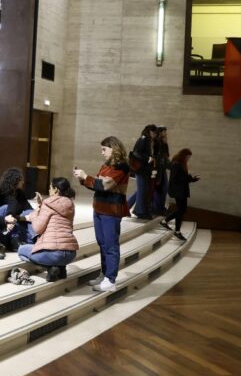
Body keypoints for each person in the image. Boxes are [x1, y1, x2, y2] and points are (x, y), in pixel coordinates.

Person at [73, 136, 130, 292]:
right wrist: (82, 179)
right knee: (102, 244)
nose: (102, 153)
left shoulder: (122, 166)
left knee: (111, 245)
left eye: (104, 149)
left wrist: (86, 177)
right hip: (99, 208)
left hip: (111, 211)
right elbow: (97, 184)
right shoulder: (106, 165)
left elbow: (105, 185)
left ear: (114, 148)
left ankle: (110, 280)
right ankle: (104, 274)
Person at [17, 177, 78, 282]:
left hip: (54, 253)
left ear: (56, 190)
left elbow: (37, 229)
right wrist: (42, 205)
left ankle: (51, 268)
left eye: (50, 188)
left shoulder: (48, 203)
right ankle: (61, 268)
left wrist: (37, 210)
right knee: (55, 254)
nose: (49, 190)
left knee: (21, 250)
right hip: (70, 253)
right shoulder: (70, 204)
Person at [160, 148, 198, 241]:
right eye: (188, 157)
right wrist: (189, 178)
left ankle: (168, 223)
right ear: (183, 156)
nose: (188, 159)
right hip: (178, 191)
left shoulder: (181, 164)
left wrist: (192, 179)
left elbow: (182, 178)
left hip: (181, 190)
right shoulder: (177, 164)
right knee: (181, 210)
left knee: (181, 210)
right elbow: (175, 179)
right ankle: (174, 229)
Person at [0, 167, 35, 247]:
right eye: (21, 180)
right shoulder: (3, 192)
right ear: (15, 181)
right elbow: (9, 211)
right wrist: (21, 218)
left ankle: (35, 238)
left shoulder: (20, 193)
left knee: (30, 213)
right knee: (6, 208)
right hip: (2, 219)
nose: (23, 182)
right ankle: (15, 240)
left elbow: (28, 208)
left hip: (15, 220)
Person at [128, 124, 158, 220]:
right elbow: (136, 152)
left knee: (141, 190)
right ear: (150, 131)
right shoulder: (143, 139)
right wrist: (147, 158)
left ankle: (125, 207)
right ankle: (139, 212)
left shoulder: (148, 140)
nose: (155, 135)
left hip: (144, 169)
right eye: (154, 133)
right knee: (141, 190)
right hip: (140, 169)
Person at [152, 126, 170, 214]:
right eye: (164, 132)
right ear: (160, 133)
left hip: (162, 169)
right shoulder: (157, 142)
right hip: (157, 169)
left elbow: (165, 157)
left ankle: (160, 208)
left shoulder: (163, 143)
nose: (166, 134)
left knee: (163, 188)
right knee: (157, 188)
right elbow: (157, 157)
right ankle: (158, 209)